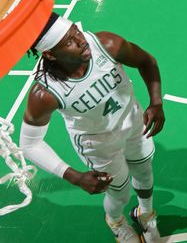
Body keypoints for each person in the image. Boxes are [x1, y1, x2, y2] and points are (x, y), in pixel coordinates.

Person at [19, 14, 165, 242]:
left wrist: (156, 102)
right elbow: (29, 144)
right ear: (49, 54)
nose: (80, 40)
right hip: (98, 145)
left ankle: (146, 213)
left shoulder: (106, 44)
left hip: (134, 124)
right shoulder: (45, 93)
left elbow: (147, 61)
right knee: (120, 195)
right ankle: (116, 221)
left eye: (76, 31)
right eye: (69, 41)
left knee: (145, 173)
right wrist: (74, 177)